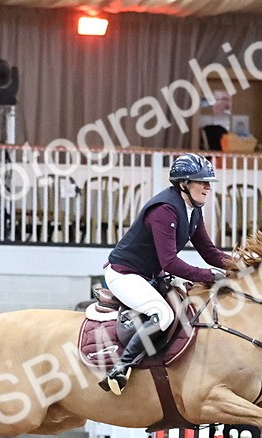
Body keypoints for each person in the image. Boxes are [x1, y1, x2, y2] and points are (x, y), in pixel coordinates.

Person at [98, 153, 234, 395]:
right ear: (184, 184)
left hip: (149, 275)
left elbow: (208, 251)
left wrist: (240, 266)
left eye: (208, 182)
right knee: (162, 314)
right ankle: (120, 368)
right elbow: (170, 262)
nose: (207, 187)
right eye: (201, 182)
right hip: (125, 274)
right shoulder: (165, 210)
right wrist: (210, 276)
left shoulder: (193, 209)